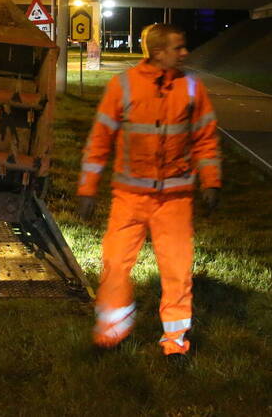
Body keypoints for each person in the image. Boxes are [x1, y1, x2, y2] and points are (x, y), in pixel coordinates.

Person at [76, 24, 221, 360]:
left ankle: (175, 343)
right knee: (114, 265)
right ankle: (111, 332)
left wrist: (211, 181)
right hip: (129, 197)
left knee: (177, 271)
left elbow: (206, 138)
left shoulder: (191, 89)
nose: (185, 53)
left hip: (175, 199)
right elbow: (100, 139)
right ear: (158, 52)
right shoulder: (123, 86)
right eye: (179, 48)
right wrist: (87, 189)